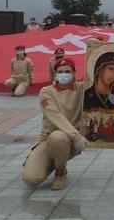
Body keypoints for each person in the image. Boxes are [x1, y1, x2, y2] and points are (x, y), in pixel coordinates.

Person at [22, 57, 87, 191]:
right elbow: (55, 116)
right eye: (60, 72)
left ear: (74, 73)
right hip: (49, 138)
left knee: (59, 137)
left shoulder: (82, 89)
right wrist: (77, 136)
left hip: (69, 142)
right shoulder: (46, 91)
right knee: (31, 179)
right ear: (55, 74)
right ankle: (49, 160)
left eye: (67, 71)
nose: (64, 75)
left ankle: (60, 172)